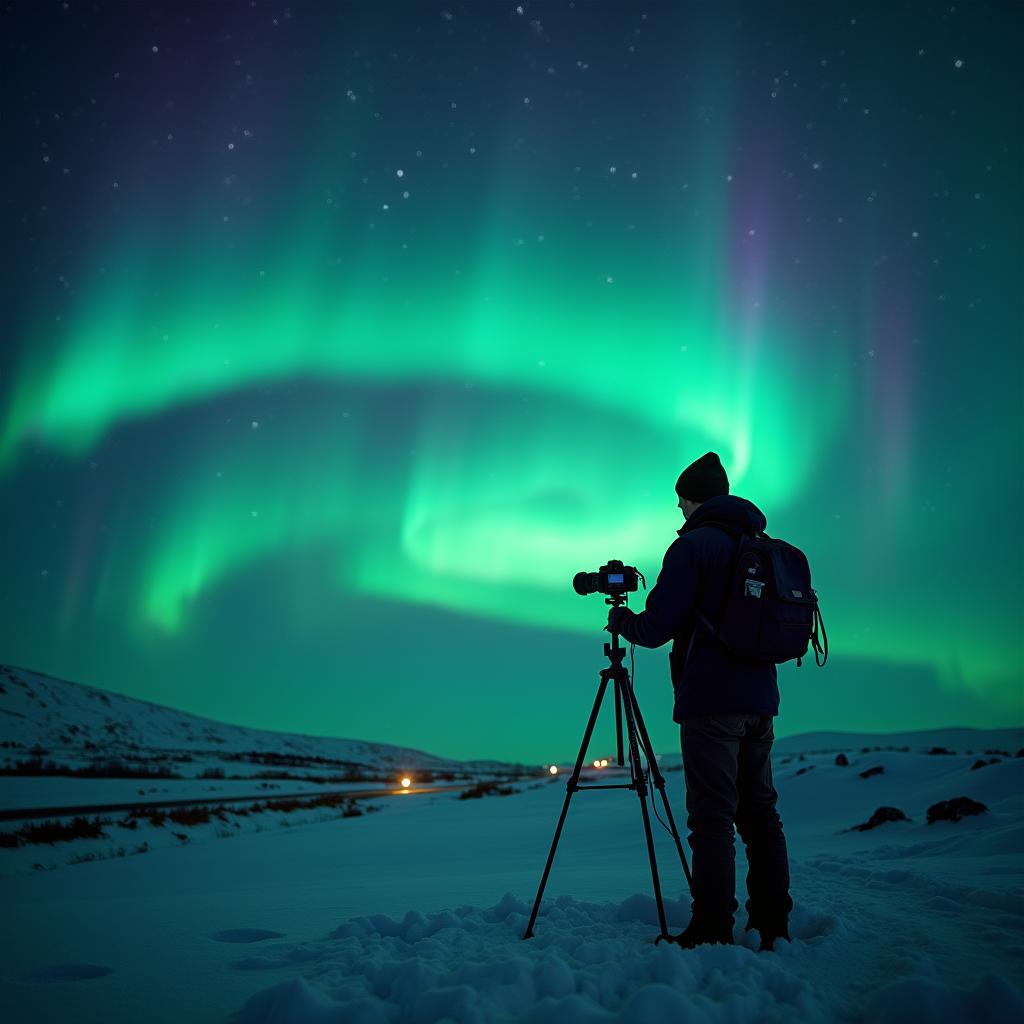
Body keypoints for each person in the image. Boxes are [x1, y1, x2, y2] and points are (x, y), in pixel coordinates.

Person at [605, 451, 793, 952]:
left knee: (712, 816)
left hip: (711, 703)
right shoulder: (758, 544)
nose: (679, 512)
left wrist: (622, 622)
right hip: (761, 701)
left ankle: (712, 926)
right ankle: (773, 922)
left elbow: (658, 626)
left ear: (691, 498)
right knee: (760, 814)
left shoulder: (694, 548)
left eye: (680, 501)